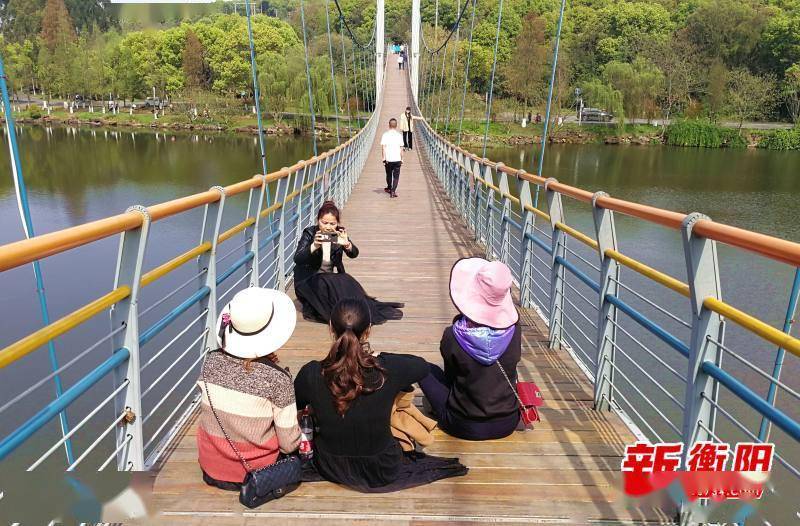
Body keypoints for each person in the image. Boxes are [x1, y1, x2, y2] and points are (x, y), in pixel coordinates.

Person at [294, 298, 468, 492]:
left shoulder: (311, 373)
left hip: (331, 465)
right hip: (382, 467)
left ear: (330, 328)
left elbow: (298, 402)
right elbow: (421, 366)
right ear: (368, 330)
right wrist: (379, 357)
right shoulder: (388, 369)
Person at [197, 287, 301, 490]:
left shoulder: (210, 362)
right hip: (257, 474)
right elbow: (289, 445)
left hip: (211, 469)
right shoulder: (277, 378)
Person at [419, 257, 522, 441]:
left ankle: (434, 408)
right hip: (509, 421)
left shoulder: (453, 335)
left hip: (464, 425)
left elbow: (451, 379)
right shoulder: (514, 329)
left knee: (423, 369)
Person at [294, 200, 403, 323]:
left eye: (332, 223)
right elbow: (297, 259)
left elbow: (354, 254)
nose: (328, 227)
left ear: (337, 223)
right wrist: (314, 246)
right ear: (318, 220)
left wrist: (347, 244)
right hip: (308, 280)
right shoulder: (309, 233)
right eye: (324, 223)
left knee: (348, 281)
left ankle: (357, 311)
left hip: (330, 279)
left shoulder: (339, 233)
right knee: (327, 284)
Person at [380, 118, 404, 198]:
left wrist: (383, 158)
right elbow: (401, 149)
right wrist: (401, 159)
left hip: (388, 159)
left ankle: (389, 188)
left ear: (389, 125)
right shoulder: (399, 136)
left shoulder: (385, 135)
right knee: (396, 176)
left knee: (389, 174)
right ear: (396, 126)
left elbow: (383, 148)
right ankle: (393, 191)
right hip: (397, 159)